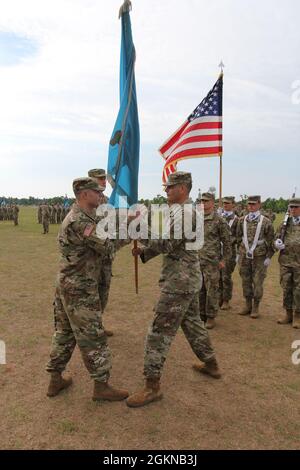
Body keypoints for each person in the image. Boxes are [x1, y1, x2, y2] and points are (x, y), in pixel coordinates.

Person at [126, 172, 220, 409]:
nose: (166, 191)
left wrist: (140, 227)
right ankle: (211, 364)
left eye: (170, 187)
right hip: (185, 280)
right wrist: (145, 252)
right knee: (192, 324)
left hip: (179, 283)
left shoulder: (186, 213)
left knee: (158, 331)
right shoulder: (180, 211)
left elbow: (168, 242)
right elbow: (172, 244)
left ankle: (152, 386)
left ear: (183, 188)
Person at [46, 177, 129, 402]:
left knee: (64, 333)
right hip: (79, 289)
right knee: (93, 335)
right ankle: (101, 386)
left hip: (69, 285)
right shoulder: (80, 221)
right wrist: (130, 233)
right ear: (84, 194)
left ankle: (55, 379)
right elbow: (108, 247)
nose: (101, 194)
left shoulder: (85, 217)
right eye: (97, 191)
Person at [237, 195, 275, 318]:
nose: (251, 206)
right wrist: (238, 253)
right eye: (249, 204)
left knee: (258, 281)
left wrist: (269, 256)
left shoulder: (266, 222)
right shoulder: (241, 220)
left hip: (259, 256)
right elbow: (238, 237)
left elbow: (270, 240)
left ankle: (256, 307)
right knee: (246, 281)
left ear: (259, 204)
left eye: (253, 204)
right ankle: (247, 305)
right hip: (244, 255)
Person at [197, 192, 232, 329]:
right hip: (198, 260)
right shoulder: (197, 219)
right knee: (199, 289)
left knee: (212, 289)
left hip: (212, 262)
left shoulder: (219, 220)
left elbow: (228, 243)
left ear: (212, 202)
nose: (203, 203)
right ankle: (201, 314)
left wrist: (224, 260)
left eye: (206, 201)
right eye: (201, 201)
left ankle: (211, 316)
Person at [88, 168, 114, 337]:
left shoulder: (106, 200)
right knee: (90, 295)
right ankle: (89, 329)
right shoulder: (87, 201)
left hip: (106, 255)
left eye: (105, 178)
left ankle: (98, 325)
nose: (104, 181)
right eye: (100, 179)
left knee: (103, 293)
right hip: (91, 258)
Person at [275, 198, 300, 328]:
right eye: (291, 207)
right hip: (285, 262)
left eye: (296, 207)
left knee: (298, 290)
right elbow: (277, 237)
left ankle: (297, 316)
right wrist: (277, 243)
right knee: (286, 288)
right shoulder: (285, 224)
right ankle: (288, 314)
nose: (293, 210)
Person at [219, 196, 239, 310]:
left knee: (226, 277)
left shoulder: (237, 220)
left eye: (228, 203)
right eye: (224, 203)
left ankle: (226, 300)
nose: (225, 205)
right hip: (217, 252)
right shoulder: (218, 218)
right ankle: (219, 298)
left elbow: (239, 236)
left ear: (233, 205)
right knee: (217, 277)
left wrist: (227, 242)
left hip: (229, 253)